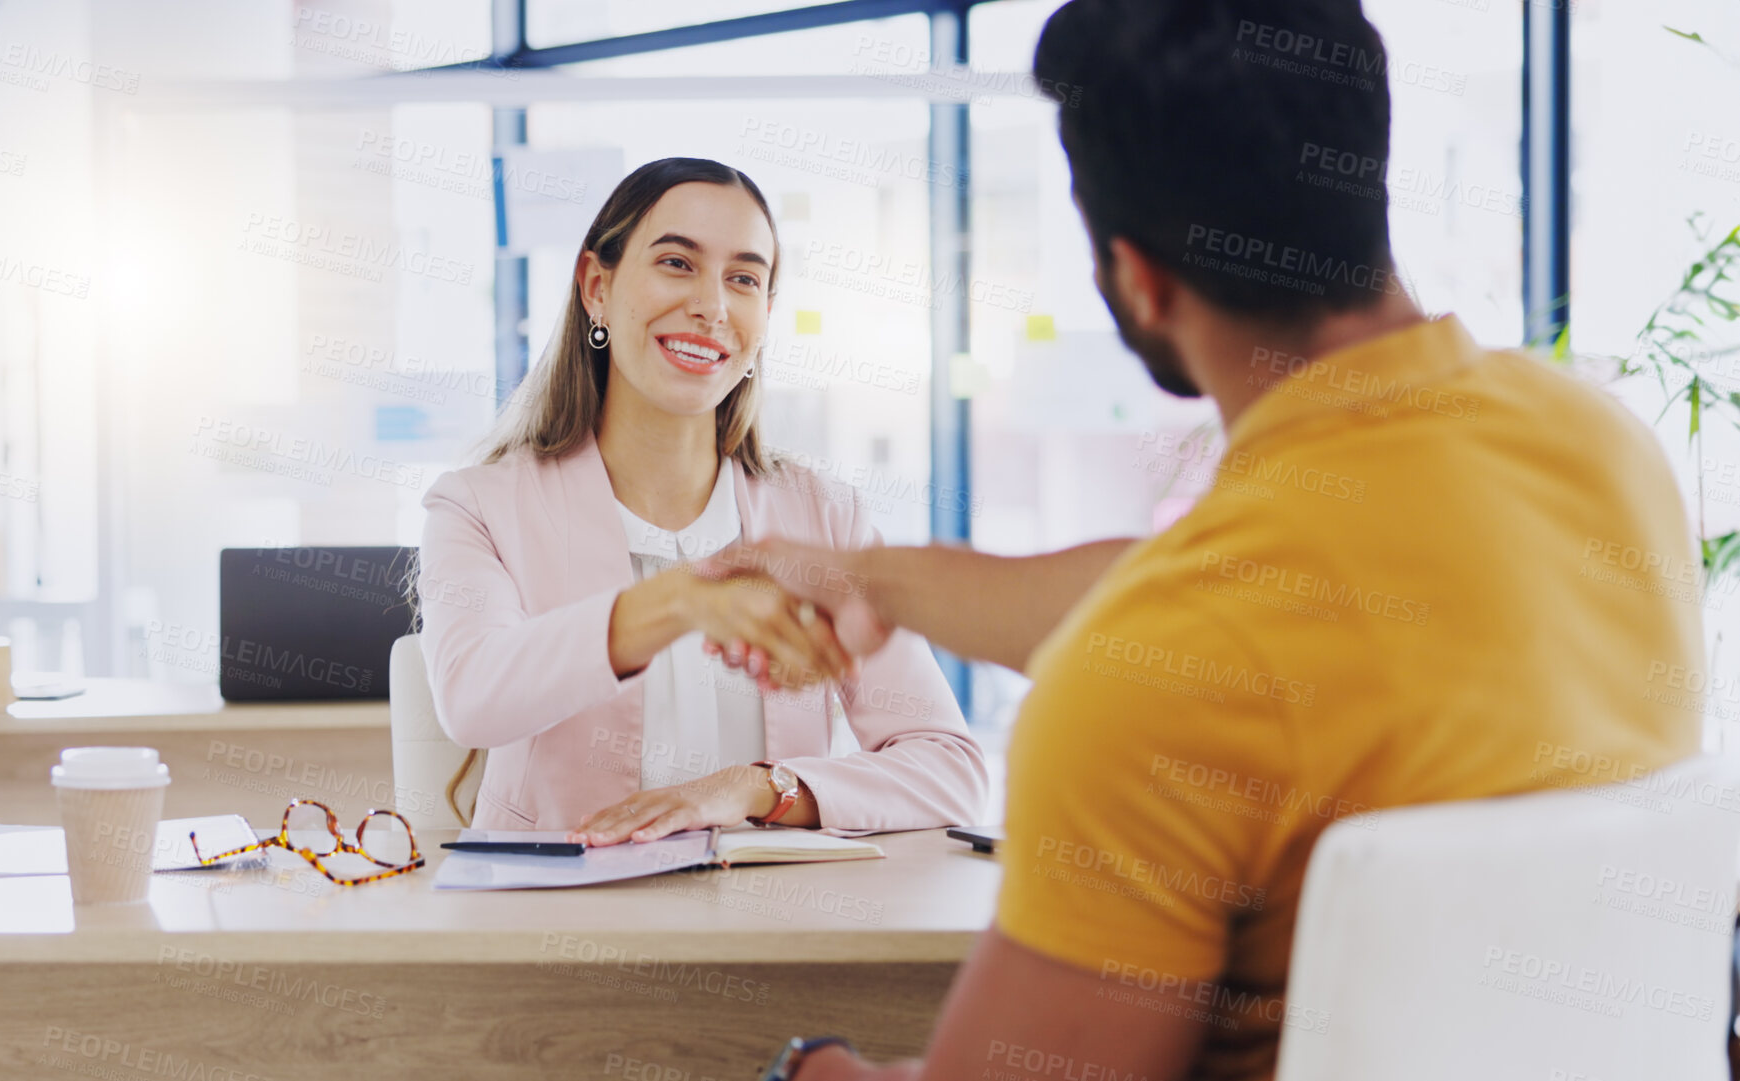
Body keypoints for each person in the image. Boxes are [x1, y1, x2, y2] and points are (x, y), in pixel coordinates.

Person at [709, 1, 1703, 1077]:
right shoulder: (1598, 445)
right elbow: (1222, 616)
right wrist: (871, 581)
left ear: (1133, 278)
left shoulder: (1159, 683)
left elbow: (1183, 640)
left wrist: (810, 1065)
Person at [415, 157, 987, 845]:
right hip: (557, 927)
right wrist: (680, 599)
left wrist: (756, 788)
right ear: (596, 286)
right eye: (677, 263)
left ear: (765, 314)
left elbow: (948, 766)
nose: (713, 307)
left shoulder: (823, 515)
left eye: (743, 279)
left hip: (766, 929)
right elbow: (473, 698)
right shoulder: (479, 505)